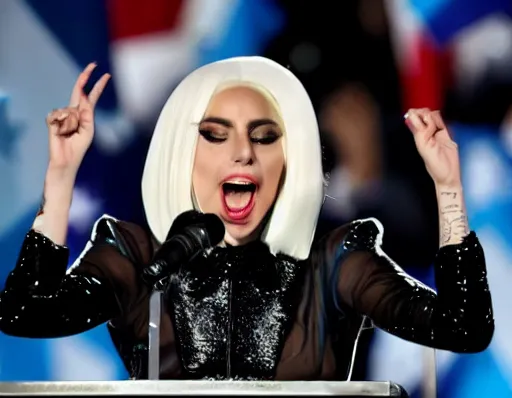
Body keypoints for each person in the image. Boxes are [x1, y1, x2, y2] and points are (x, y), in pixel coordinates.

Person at [0, 57, 494, 380]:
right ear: (181, 153)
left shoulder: (333, 263)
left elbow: (463, 327)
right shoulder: (137, 258)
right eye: (216, 135)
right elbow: (24, 313)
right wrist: (61, 177)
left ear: (290, 160)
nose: (242, 153)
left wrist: (449, 189)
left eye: (264, 137)